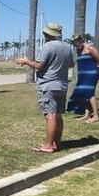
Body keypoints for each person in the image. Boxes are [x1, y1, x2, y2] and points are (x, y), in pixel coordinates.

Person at [15, 23, 75, 153]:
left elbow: (39, 66)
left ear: (49, 34)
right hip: (62, 85)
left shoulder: (48, 46)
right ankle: (56, 143)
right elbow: (71, 64)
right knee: (58, 115)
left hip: (48, 85)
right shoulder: (67, 47)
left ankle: (47, 145)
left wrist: (25, 61)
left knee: (50, 116)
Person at [68, 35, 99, 123]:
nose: (76, 44)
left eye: (77, 42)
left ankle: (96, 116)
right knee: (85, 94)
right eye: (74, 43)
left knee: (90, 93)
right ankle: (87, 115)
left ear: (81, 40)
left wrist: (98, 72)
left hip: (91, 74)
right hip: (83, 75)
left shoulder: (90, 48)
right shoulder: (78, 50)